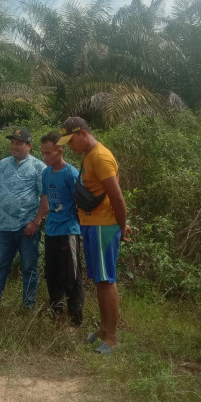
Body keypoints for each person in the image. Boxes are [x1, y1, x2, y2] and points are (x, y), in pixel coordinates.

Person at [57, 117, 132, 355]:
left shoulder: (100, 157)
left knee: (106, 280)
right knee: (99, 280)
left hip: (103, 226)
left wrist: (122, 226)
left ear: (83, 133)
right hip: (92, 225)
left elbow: (118, 198)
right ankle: (103, 329)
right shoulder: (89, 156)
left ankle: (112, 337)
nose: (70, 147)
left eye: (71, 141)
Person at [0, 127, 48, 308]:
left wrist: (36, 222)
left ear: (29, 146)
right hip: (3, 226)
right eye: (12, 143)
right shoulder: (3, 164)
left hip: (26, 227)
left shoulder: (38, 167)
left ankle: (28, 305)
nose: (14, 146)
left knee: (29, 268)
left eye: (19, 143)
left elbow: (45, 197)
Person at [40, 131, 84, 327]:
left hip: (68, 232)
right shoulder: (45, 173)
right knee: (52, 275)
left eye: (48, 153)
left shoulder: (71, 173)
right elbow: (46, 202)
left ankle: (75, 321)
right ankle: (56, 315)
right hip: (51, 232)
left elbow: (81, 203)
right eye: (43, 153)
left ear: (60, 151)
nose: (45, 157)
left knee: (72, 277)